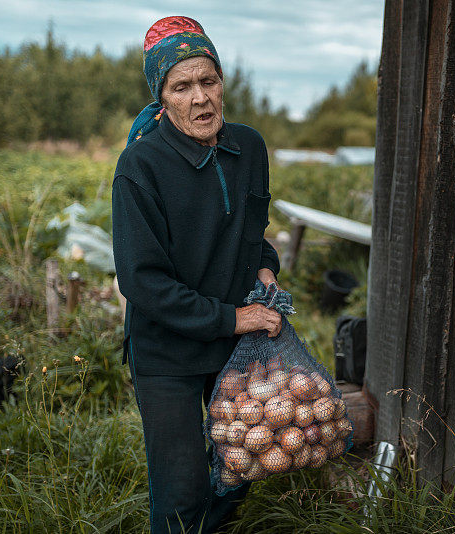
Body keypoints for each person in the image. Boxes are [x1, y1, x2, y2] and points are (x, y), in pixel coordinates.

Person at [111, 16, 282, 533]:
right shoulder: (141, 167)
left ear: (223, 83)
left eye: (208, 81)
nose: (200, 98)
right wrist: (234, 318)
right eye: (182, 86)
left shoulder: (248, 148)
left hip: (234, 344)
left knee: (243, 466)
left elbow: (250, 234)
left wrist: (266, 269)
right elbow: (143, 281)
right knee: (182, 489)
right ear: (162, 98)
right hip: (168, 352)